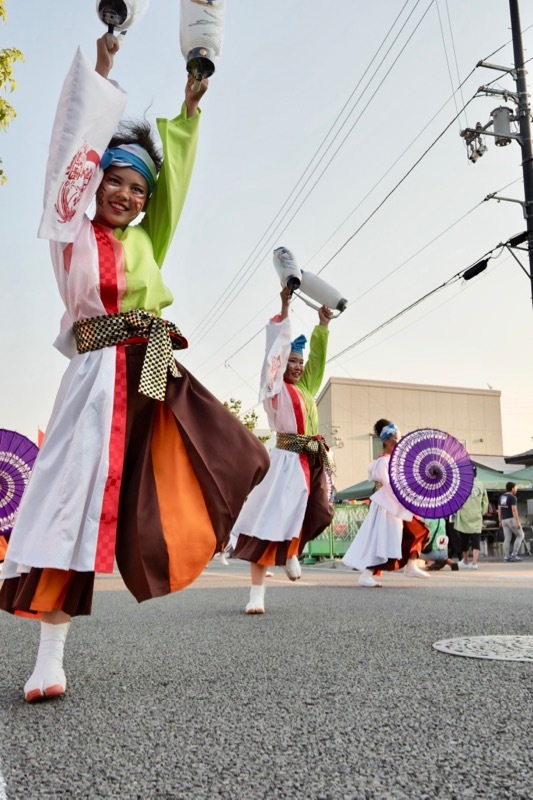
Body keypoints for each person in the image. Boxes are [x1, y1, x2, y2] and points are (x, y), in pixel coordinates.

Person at [0, 35, 269, 702]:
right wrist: (99, 74)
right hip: (94, 374)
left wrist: (189, 103)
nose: (124, 193)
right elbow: (68, 155)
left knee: (191, 458)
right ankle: (51, 655)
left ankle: (224, 543)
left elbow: (173, 183)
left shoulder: (147, 238)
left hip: (151, 365)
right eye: (113, 180)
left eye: (137, 188)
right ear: (94, 184)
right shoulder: (70, 233)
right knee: (71, 499)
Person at [230, 287, 334, 614]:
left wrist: (323, 326)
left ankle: (292, 551)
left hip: (311, 460)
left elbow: (317, 363)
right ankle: (256, 594)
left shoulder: (305, 388)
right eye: (291, 360)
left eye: (299, 362)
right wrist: (285, 305)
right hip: (284, 463)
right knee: (265, 522)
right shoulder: (275, 389)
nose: (298, 367)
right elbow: (273, 353)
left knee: (314, 509)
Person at [342, 419, 429, 587]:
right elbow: (390, 486)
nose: (400, 442)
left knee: (418, 531)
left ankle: (410, 565)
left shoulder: (393, 460)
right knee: (383, 541)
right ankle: (367, 574)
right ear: (388, 441)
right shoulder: (383, 462)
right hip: (387, 506)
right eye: (397, 439)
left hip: (396, 505)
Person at [454, 466, 488, 570]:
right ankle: (474, 563)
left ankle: (465, 561)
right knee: (475, 540)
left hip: (464, 516)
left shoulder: (463, 484)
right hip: (476, 516)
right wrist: (481, 512)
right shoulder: (481, 485)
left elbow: (457, 500)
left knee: (464, 540)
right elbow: (485, 501)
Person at [498, 482, 525, 563]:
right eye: (516, 487)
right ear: (512, 488)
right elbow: (514, 510)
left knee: (507, 538)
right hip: (511, 519)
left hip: (504, 520)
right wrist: (518, 522)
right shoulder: (513, 497)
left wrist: (500, 520)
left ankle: (506, 556)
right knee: (521, 535)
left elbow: (499, 509)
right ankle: (514, 554)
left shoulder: (502, 497)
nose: (516, 489)